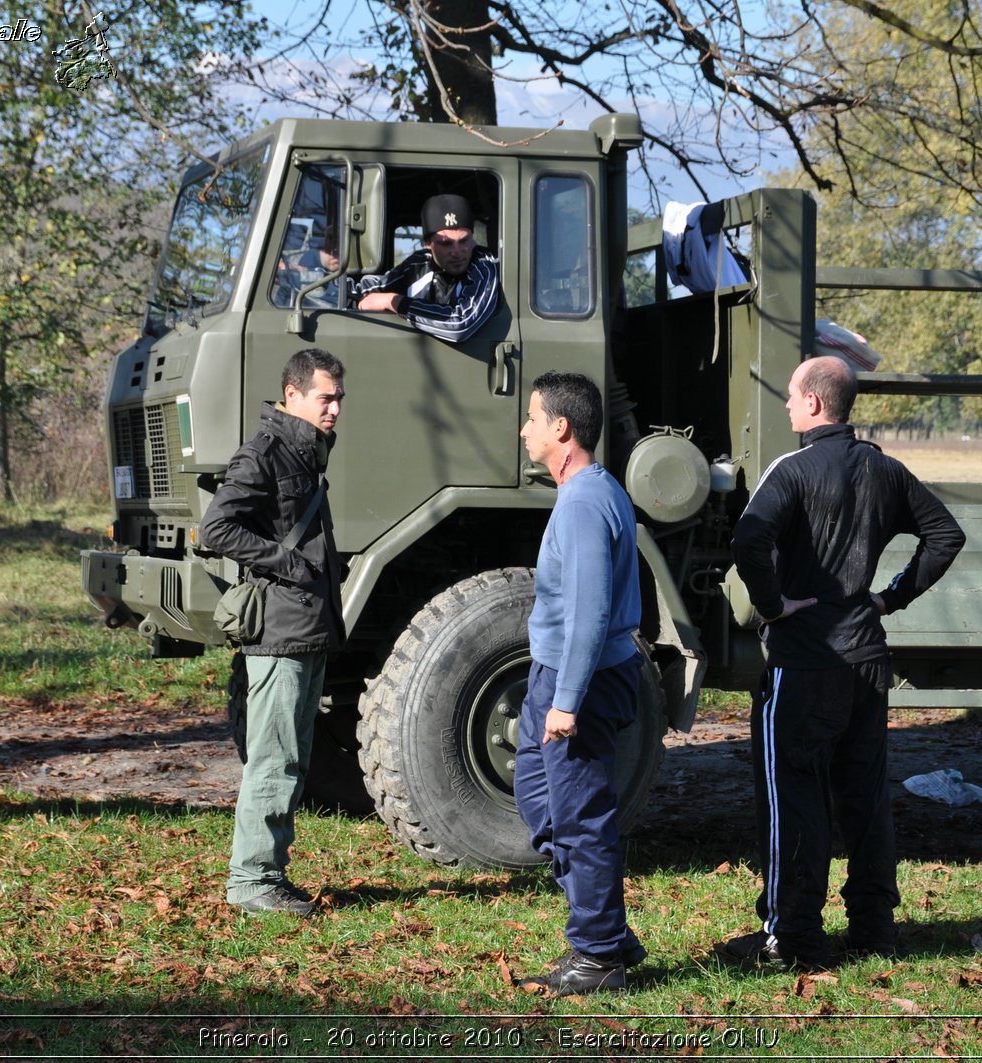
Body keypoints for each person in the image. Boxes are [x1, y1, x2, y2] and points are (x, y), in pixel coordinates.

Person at [724, 355, 965, 969]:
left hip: (805, 664)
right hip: (867, 662)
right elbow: (945, 535)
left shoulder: (793, 469)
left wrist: (773, 603)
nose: (784, 405)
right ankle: (874, 929)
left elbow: (748, 539)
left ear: (812, 404)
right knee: (865, 796)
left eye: (789, 395)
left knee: (793, 798)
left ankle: (792, 938)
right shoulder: (885, 469)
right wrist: (889, 598)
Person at [513, 371, 648, 996]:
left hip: (583, 682)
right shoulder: (586, 493)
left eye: (533, 419)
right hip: (562, 675)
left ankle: (596, 954)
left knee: (582, 818)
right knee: (542, 803)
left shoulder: (586, 500)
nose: (525, 429)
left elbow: (591, 609)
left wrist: (566, 701)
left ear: (560, 429)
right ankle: (609, 933)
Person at [200, 348, 347, 917]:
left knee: (294, 756)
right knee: (274, 759)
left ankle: (269, 874)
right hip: (279, 631)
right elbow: (216, 527)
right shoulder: (265, 452)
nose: (334, 409)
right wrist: (284, 565)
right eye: (324, 398)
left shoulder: (307, 453)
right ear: (292, 395)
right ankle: (253, 881)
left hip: (305, 628)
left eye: (338, 399)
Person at [353, 193, 500, 343]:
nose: (457, 252)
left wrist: (394, 302)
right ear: (428, 243)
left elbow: (460, 324)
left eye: (464, 241)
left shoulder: (484, 266)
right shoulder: (418, 264)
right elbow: (366, 289)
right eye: (446, 243)